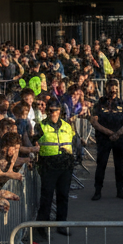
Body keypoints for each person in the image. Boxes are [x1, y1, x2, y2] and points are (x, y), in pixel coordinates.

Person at [35, 101, 76, 235]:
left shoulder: (67, 126)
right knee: (46, 197)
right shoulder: (40, 126)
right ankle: (42, 227)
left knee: (63, 196)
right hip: (49, 166)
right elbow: (33, 142)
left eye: (56, 110)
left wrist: (75, 156)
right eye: (51, 110)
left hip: (65, 165)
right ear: (47, 111)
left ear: (60, 111)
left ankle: (61, 224)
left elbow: (74, 141)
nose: (53, 113)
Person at [90, 86, 123, 201]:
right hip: (104, 140)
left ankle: (120, 190)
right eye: (111, 88)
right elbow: (94, 121)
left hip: (119, 139)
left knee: (119, 166)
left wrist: (119, 133)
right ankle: (97, 191)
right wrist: (109, 133)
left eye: (115, 88)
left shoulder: (121, 103)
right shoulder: (100, 103)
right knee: (101, 165)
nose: (113, 91)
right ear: (106, 89)